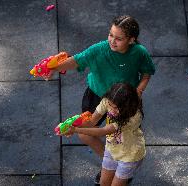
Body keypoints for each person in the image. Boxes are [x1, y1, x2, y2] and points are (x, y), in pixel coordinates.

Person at [46, 15, 155, 184]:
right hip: (97, 95)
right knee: (86, 134)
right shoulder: (99, 49)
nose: (112, 41)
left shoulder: (140, 53)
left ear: (132, 40)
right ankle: (113, 163)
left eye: (119, 38)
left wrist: (139, 90)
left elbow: (147, 72)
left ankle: (122, 164)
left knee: (123, 134)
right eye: (111, 35)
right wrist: (53, 68)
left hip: (125, 101)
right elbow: (77, 60)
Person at [61, 83, 146, 186]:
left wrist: (75, 130)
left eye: (116, 108)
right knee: (103, 183)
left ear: (127, 106)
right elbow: (92, 121)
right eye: (110, 105)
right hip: (112, 149)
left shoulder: (134, 117)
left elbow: (103, 131)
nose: (111, 110)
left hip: (130, 155)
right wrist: (73, 123)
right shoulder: (107, 101)